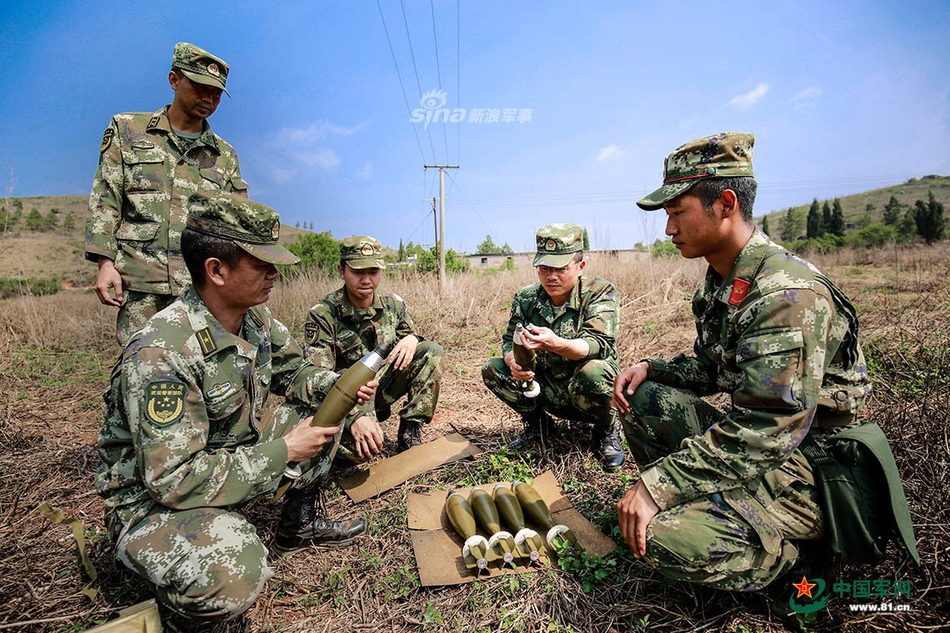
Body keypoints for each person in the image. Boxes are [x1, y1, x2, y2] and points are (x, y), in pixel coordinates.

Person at [95, 193, 372, 631]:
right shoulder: (162, 353)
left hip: (222, 458)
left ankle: (296, 524)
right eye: (261, 265)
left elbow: (294, 369)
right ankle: (191, 611)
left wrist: (335, 388)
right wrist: (284, 451)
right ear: (216, 270)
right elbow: (171, 479)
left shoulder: (253, 318)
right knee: (238, 568)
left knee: (325, 409)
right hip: (151, 503)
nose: (274, 275)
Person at [613, 132, 872, 590]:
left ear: (725, 204)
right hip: (772, 441)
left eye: (676, 213)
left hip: (817, 465)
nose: (668, 230)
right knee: (645, 397)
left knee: (666, 540)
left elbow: (767, 427)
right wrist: (653, 369)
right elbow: (713, 369)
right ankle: (727, 510)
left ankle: (800, 561)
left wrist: (660, 485)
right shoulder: (723, 280)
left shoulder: (785, 294)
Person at [85, 42, 248, 345]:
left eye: (216, 93)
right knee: (141, 375)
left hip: (202, 290)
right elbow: (107, 200)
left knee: (202, 380)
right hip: (142, 285)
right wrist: (105, 263)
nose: (208, 98)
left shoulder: (224, 155)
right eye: (200, 87)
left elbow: (236, 227)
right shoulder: (128, 130)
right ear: (174, 80)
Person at [482, 224, 624, 471]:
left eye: (560, 269)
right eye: (544, 268)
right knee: (493, 368)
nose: (551, 277)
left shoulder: (599, 292)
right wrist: (512, 361)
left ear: (580, 266)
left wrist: (556, 344)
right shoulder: (527, 298)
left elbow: (597, 344)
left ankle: (605, 431)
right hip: (543, 386)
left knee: (594, 372)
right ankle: (539, 427)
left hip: (584, 390)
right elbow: (509, 338)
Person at [303, 236, 444, 456]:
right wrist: (354, 418)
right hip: (345, 397)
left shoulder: (393, 304)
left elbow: (407, 342)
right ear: (341, 271)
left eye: (373, 271)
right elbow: (318, 377)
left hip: (380, 387)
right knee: (357, 454)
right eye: (358, 272)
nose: (367, 280)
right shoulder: (323, 314)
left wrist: (413, 338)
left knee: (431, 352)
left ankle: (410, 433)